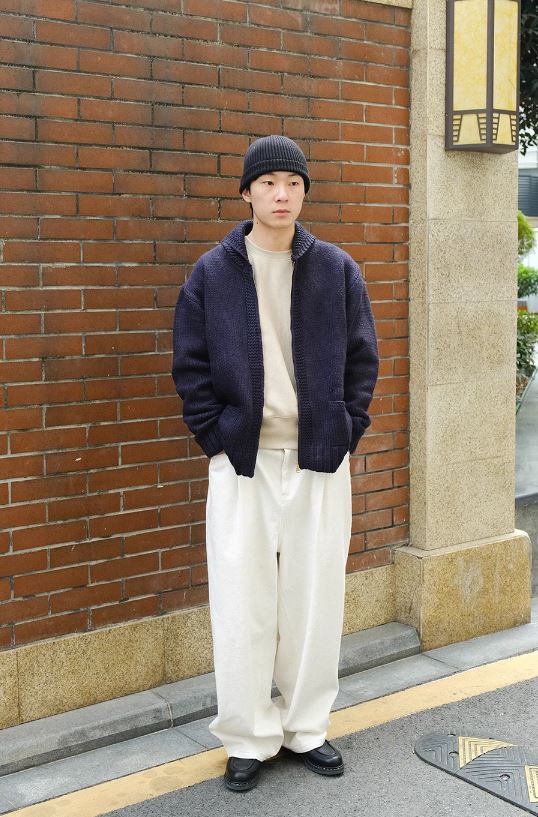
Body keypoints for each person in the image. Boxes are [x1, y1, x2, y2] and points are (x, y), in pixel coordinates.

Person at [171, 134, 379, 792]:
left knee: (315, 602)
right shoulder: (212, 273)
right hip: (243, 464)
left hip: (319, 459)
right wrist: (217, 433)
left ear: (304, 192)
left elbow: (362, 359)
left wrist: (346, 429)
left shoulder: (335, 269)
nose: (281, 193)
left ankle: (306, 727)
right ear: (246, 193)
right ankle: (248, 737)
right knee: (242, 602)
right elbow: (191, 365)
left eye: (292, 182)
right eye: (268, 183)